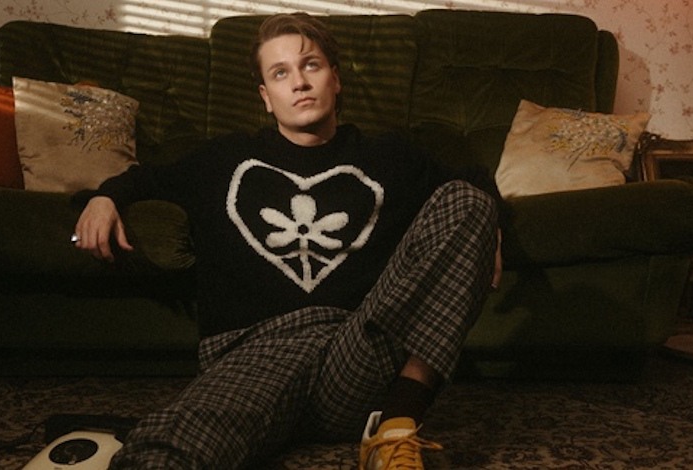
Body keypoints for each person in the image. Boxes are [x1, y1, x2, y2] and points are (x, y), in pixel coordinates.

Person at [72, 12, 502, 469]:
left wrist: (487, 229)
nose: (299, 82)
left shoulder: (389, 156)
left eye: (311, 65)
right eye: (280, 73)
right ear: (266, 96)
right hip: (257, 354)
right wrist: (104, 197)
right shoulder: (223, 159)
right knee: (167, 449)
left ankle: (396, 425)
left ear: (336, 79)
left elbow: (471, 184)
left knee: (467, 201)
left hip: (356, 356)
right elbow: (145, 179)